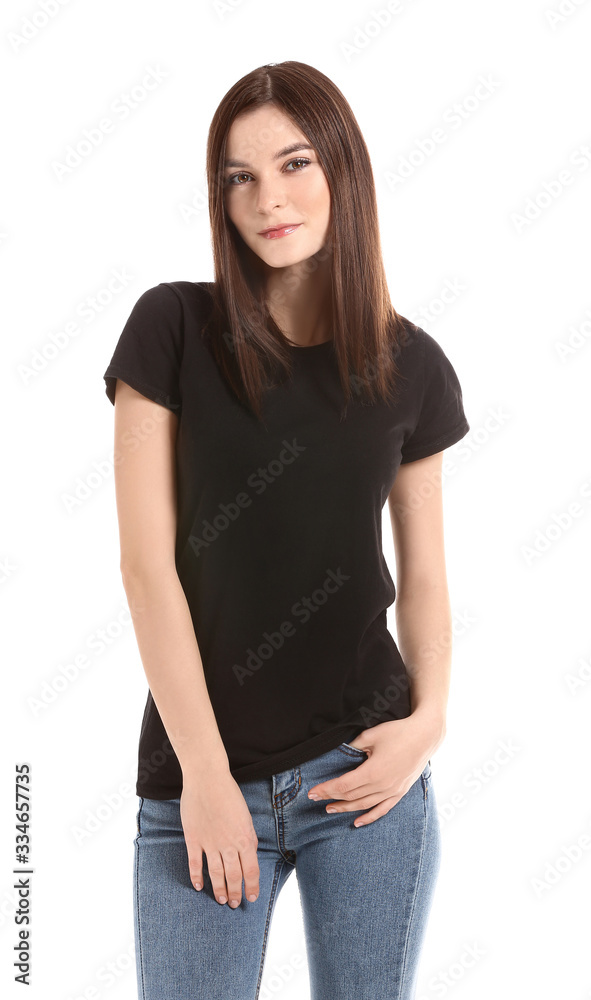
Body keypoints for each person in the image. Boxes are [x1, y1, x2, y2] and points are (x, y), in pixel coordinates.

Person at [102, 60, 470, 1000]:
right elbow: (148, 569)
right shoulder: (171, 329)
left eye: (295, 163)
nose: (269, 198)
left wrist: (426, 722)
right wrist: (207, 778)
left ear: (343, 169)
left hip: (364, 777)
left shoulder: (414, 368)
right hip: (198, 778)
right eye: (239, 176)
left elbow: (422, 577)